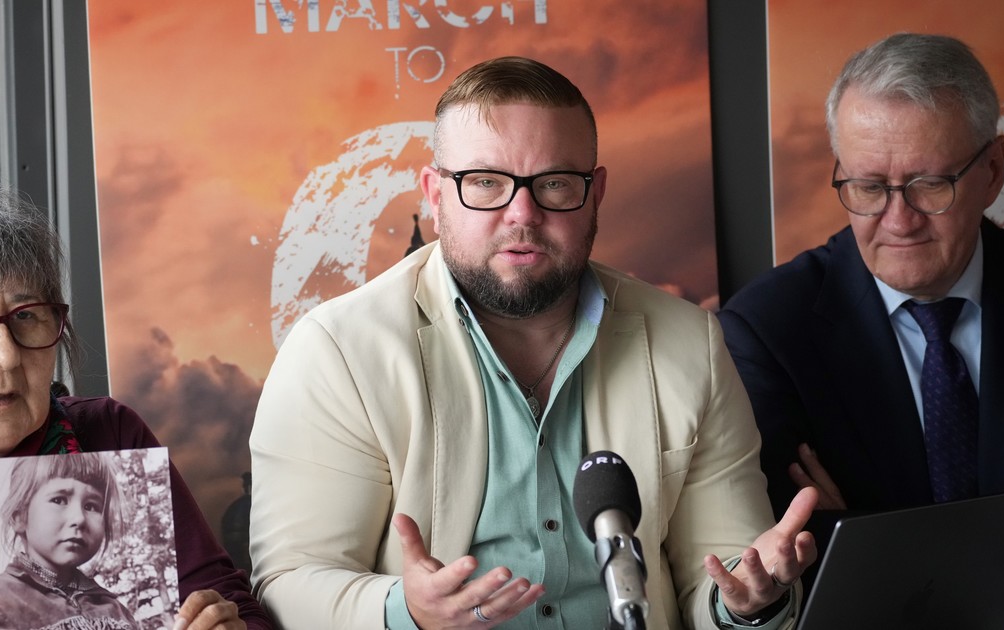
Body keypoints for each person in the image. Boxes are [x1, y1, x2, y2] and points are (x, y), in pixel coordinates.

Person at [250, 56, 818, 629]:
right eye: (485, 182)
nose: (522, 214)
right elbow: (289, 584)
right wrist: (407, 612)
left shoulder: (690, 343)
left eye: (554, 183)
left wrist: (743, 606)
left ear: (595, 193)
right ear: (435, 195)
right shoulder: (336, 351)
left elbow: (722, 575)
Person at [717, 33, 1004, 626]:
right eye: (869, 187)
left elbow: (847, 558)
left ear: (993, 170)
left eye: (929, 184)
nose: (898, 221)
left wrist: (866, 537)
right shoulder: (767, 330)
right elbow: (799, 563)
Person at [0, 185, 275, 630]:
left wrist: (225, 624)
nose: (5, 355)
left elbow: (237, 607)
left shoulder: (111, 435)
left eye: (26, 315)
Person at [0, 453, 139, 629]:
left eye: (91, 506)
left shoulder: (115, 611)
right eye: (59, 500)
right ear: (19, 517)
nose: (79, 518)